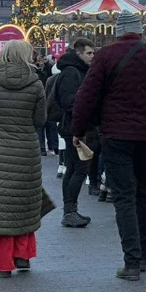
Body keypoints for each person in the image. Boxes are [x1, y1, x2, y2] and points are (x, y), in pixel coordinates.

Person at [70, 12, 146, 280]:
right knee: (145, 192)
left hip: (115, 134)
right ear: (141, 31)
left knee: (123, 196)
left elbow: (86, 96)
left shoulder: (106, 56)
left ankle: (131, 261)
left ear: (118, 31)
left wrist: (78, 131)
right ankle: (143, 254)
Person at [0, 40, 48, 277]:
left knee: (0, 207)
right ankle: (23, 257)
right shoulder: (35, 83)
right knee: (24, 205)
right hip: (26, 151)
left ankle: (3, 265)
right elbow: (40, 120)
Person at [54, 38, 95, 228]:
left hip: (73, 126)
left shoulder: (76, 71)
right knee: (79, 169)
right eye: (89, 53)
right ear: (78, 54)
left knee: (73, 168)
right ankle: (70, 211)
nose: (92, 56)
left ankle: (70, 210)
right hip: (74, 128)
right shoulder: (72, 73)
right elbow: (71, 102)